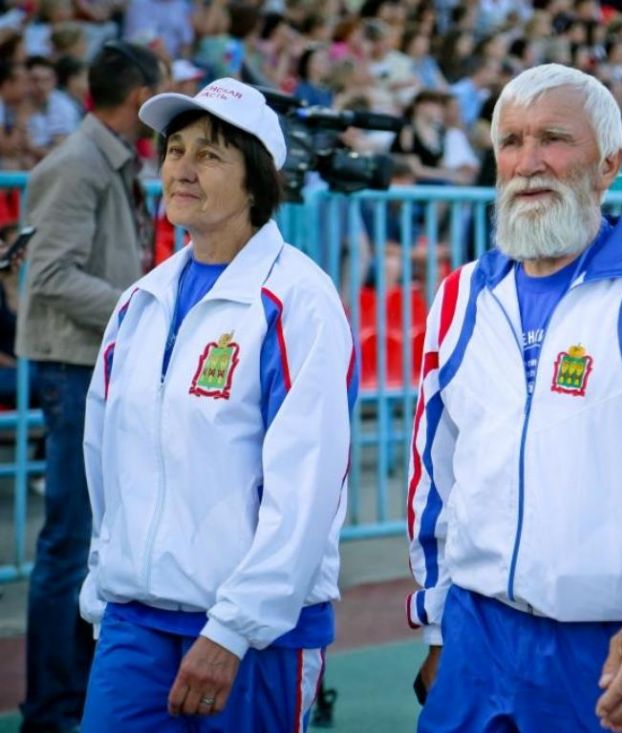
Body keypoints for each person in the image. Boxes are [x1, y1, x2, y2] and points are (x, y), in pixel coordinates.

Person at [407, 63, 622, 733]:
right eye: (511, 142)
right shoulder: (461, 295)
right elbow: (433, 472)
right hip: (475, 633)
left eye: (554, 139)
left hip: (610, 643)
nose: (528, 162)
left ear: (609, 163)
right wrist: (437, 622)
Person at [77, 77, 355, 729]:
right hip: (135, 620)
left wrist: (234, 628)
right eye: (176, 150)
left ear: (256, 182)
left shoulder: (299, 301)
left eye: (209, 154)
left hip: (255, 635)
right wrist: (102, 592)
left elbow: (306, 486)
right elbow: (104, 459)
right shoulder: (139, 302)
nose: (182, 168)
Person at [16, 40, 162, 733]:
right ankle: (51, 707)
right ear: (140, 99)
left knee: (89, 538)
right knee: (70, 541)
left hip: (91, 363)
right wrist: (140, 307)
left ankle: (71, 696)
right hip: (72, 365)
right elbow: (47, 277)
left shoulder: (103, 159)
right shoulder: (76, 164)